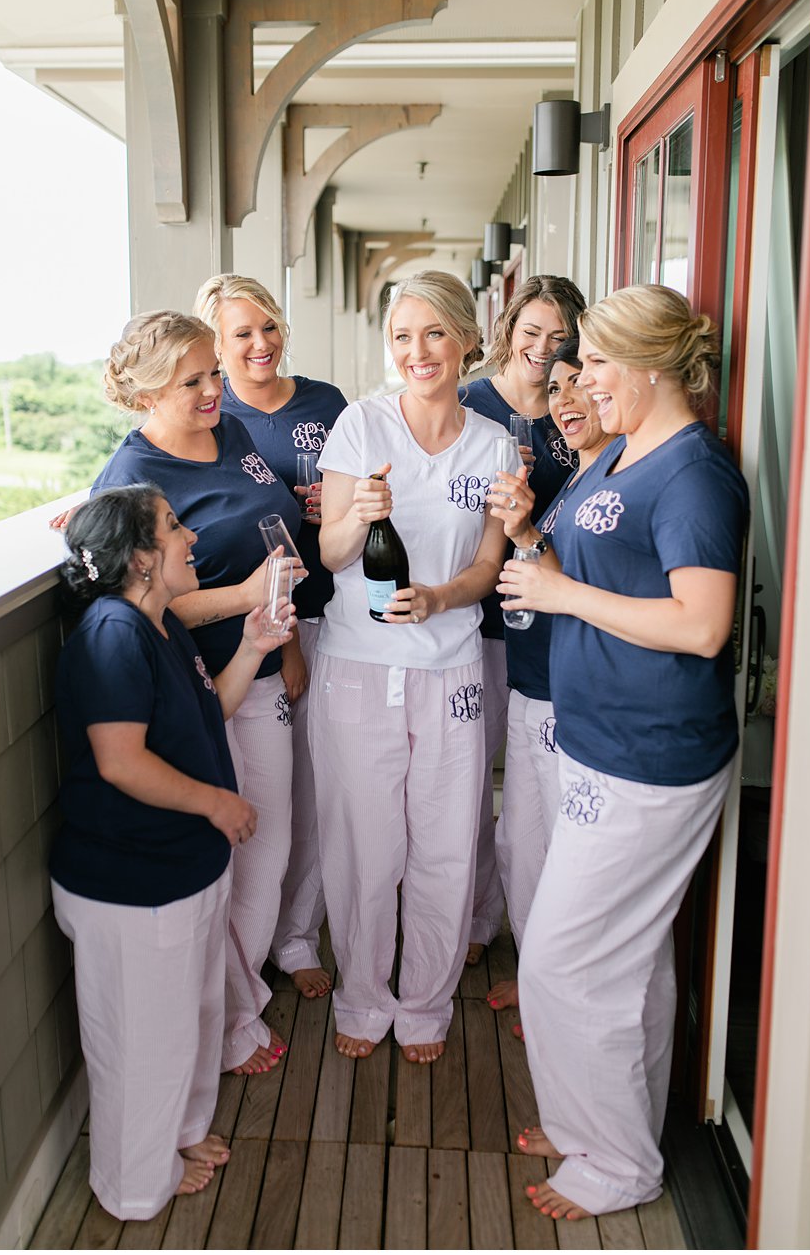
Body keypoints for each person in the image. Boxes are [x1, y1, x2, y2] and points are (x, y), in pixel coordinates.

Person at [494, 284, 748, 1220]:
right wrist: (529, 538)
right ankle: (595, 1126)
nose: (579, 381)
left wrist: (562, 600)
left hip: (651, 755)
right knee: (627, 960)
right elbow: (589, 571)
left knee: (563, 962)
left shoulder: (691, 474)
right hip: (597, 742)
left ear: (647, 366)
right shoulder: (623, 452)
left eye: (595, 363)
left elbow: (702, 624)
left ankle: (616, 1165)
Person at [51, 483, 290, 1218]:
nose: (191, 537)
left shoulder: (157, 626)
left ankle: (181, 1135)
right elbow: (121, 760)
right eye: (173, 527)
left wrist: (252, 646)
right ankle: (133, 1186)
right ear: (144, 560)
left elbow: (204, 711)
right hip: (131, 885)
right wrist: (219, 803)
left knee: (185, 1020)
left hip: (179, 872)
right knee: (142, 1047)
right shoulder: (112, 635)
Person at [91, 311, 305, 1078]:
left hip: (261, 668)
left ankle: (239, 997)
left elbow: (272, 538)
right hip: (196, 690)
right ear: (148, 391)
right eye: (195, 381)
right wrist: (245, 597)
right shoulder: (131, 480)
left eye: (215, 371)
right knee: (224, 857)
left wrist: (290, 642)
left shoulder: (233, 437)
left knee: (270, 844)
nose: (218, 389)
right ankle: (224, 1024)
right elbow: (135, 608)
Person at [309, 269, 509, 1065]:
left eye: (433, 333)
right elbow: (329, 555)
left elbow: (488, 567)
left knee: (446, 841)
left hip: (451, 666)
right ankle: (362, 994)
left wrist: (437, 598)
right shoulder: (361, 426)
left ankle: (424, 1004)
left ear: (464, 337)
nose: (417, 351)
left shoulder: (495, 444)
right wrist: (357, 516)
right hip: (359, 665)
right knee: (363, 842)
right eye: (401, 336)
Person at [196, 273, 349, 1001]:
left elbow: (369, 491)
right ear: (215, 349)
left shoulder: (325, 403)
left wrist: (337, 505)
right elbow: (148, 471)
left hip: (328, 614)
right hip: (252, 635)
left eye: (268, 327)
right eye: (241, 334)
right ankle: (240, 948)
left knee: (316, 789)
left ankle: (296, 936)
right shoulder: (209, 412)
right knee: (265, 795)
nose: (260, 344)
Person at [458, 274, 587, 971]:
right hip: (476, 620)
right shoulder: (469, 401)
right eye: (532, 332)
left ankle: (534, 924)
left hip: (548, 623)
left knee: (536, 787)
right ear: (508, 330)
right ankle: (476, 919)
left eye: (559, 336)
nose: (543, 348)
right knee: (475, 780)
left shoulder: (578, 407)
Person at [481, 338, 612, 1023]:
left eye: (582, 383)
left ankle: (563, 1006)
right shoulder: (578, 479)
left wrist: (527, 533)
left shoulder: (616, 478)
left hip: (572, 697)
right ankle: (538, 982)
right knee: (521, 844)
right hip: (531, 684)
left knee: (565, 856)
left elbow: (584, 587)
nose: (566, 399)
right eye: (556, 388)